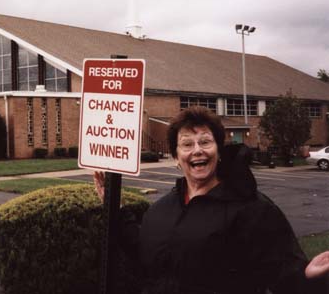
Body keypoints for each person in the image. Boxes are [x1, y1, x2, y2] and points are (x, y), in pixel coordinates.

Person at [94, 106, 329, 294]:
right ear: (176, 157)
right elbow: (145, 251)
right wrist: (114, 206)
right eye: (187, 144)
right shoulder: (162, 209)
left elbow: (282, 271)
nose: (197, 150)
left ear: (218, 152)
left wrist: (306, 277)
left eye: (205, 142)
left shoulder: (251, 208)